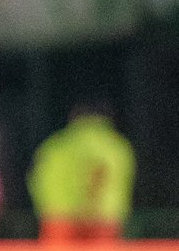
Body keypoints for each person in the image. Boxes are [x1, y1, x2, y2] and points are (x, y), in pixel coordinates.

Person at [29, 102, 135, 242]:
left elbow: (36, 180)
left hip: (60, 217)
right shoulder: (117, 147)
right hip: (104, 219)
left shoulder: (55, 145)